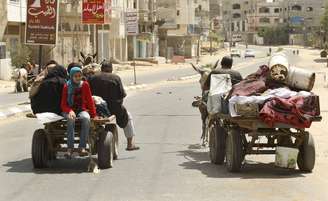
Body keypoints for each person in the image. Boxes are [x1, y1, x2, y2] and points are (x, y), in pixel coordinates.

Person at [88, 61, 140, 151]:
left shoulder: (92, 78)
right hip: (113, 108)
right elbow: (122, 95)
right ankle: (130, 144)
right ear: (111, 69)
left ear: (101, 69)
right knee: (128, 117)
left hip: (96, 108)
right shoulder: (115, 78)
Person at [61, 67, 97, 157]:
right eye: (75, 76)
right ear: (71, 76)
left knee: (86, 118)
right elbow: (63, 104)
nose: (78, 78)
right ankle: (70, 148)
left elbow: (89, 101)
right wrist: (69, 111)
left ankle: (82, 147)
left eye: (79, 76)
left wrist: (94, 115)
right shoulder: (66, 86)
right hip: (68, 110)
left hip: (81, 109)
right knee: (70, 119)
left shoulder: (85, 85)